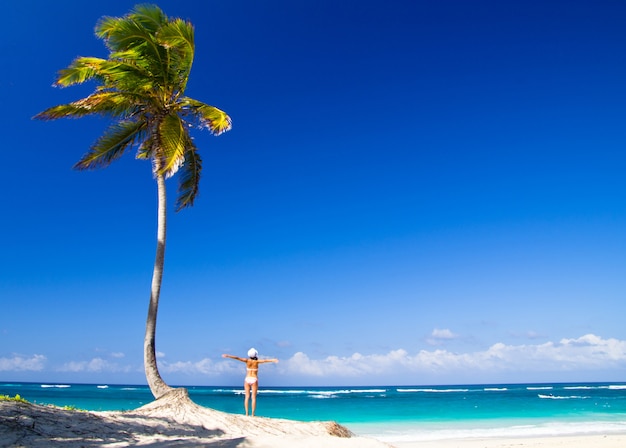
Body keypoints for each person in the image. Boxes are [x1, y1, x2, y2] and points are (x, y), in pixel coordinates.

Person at [222, 348, 278, 416]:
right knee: (253, 397)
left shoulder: (247, 360)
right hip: (254, 379)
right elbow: (265, 360)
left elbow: (237, 358)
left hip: (247, 379)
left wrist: (228, 355)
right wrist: (273, 360)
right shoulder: (257, 362)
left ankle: (246, 413)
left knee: (247, 397)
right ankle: (253, 414)